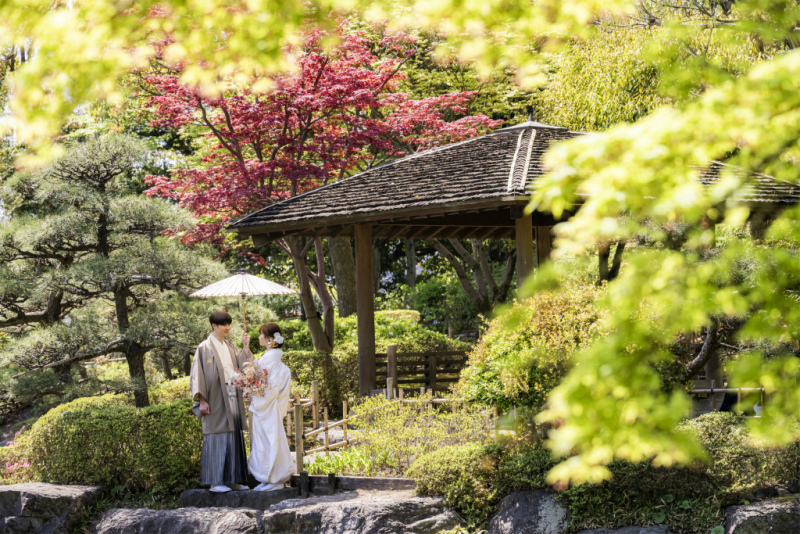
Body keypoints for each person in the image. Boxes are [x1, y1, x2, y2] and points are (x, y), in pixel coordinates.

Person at [190, 310, 254, 493]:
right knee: (217, 436)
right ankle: (215, 481)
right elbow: (197, 375)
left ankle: (233, 480)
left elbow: (244, 363)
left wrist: (246, 346)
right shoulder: (204, 347)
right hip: (215, 398)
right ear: (214, 326)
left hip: (232, 394)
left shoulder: (230, 345)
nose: (227, 327)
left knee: (234, 436)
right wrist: (201, 399)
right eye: (223, 324)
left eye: (229, 324)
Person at [248, 322, 294, 491]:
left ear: (269, 339)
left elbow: (271, 388)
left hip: (268, 407)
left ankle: (276, 479)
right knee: (263, 442)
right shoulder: (268, 359)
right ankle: (267, 477)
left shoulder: (272, 362)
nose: (259, 337)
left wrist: (253, 389)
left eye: (261, 334)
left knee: (271, 441)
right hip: (264, 407)